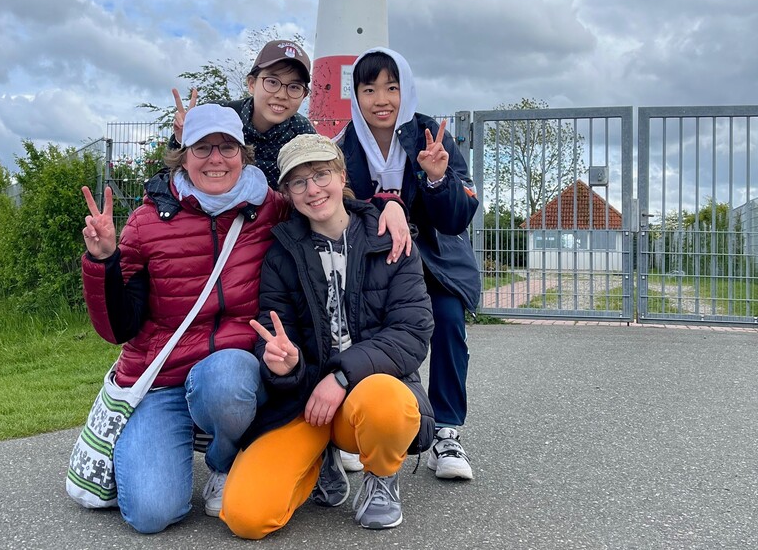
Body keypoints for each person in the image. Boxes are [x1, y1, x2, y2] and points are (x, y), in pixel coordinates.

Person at [79, 106, 413, 533]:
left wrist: (389, 205)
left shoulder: (270, 207)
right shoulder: (147, 221)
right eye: (202, 148)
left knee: (228, 378)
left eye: (227, 147)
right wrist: (103, 261)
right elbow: (117, 328)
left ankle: (223, 461)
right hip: (165, 378)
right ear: (183, 155)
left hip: (233, 372)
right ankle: (203, 443)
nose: (216, 159)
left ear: (243, 153)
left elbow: (327, 203)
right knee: (151, 514)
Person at [221, 134, 434, 537]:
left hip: (368, 393)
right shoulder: (280, 253)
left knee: (387, 403)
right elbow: (275, 333)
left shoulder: (392, 239)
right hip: (305, 404)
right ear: (287, 192)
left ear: (341, 176)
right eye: (298, 182)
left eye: (321, 174)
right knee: (247, 516)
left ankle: (381, 476)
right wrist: (285, 365)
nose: (313, 189)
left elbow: (412, 332)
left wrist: (341, 376)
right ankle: (319, 460)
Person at [335, 47, 481, 481]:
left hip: (434, 261)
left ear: (407, 90)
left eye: (392, 87)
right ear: (355, 96)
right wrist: (387, 205)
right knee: (358, 328)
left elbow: (456, 218)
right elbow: (338, 205)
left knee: (448, 318)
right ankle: (357, 425)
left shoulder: (431, 136)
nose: (381, 99)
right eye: (369, 89)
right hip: (369, 263)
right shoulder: (344, 145)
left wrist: (436, 179)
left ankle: (446, 431)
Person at [171, 40, 316, 188]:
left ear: (304, 95)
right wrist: (182, 140)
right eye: (272, 82)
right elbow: (172, 173)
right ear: (251, 84)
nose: (282, 95)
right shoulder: (219, 114)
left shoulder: (303, 132)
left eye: (294, 87)